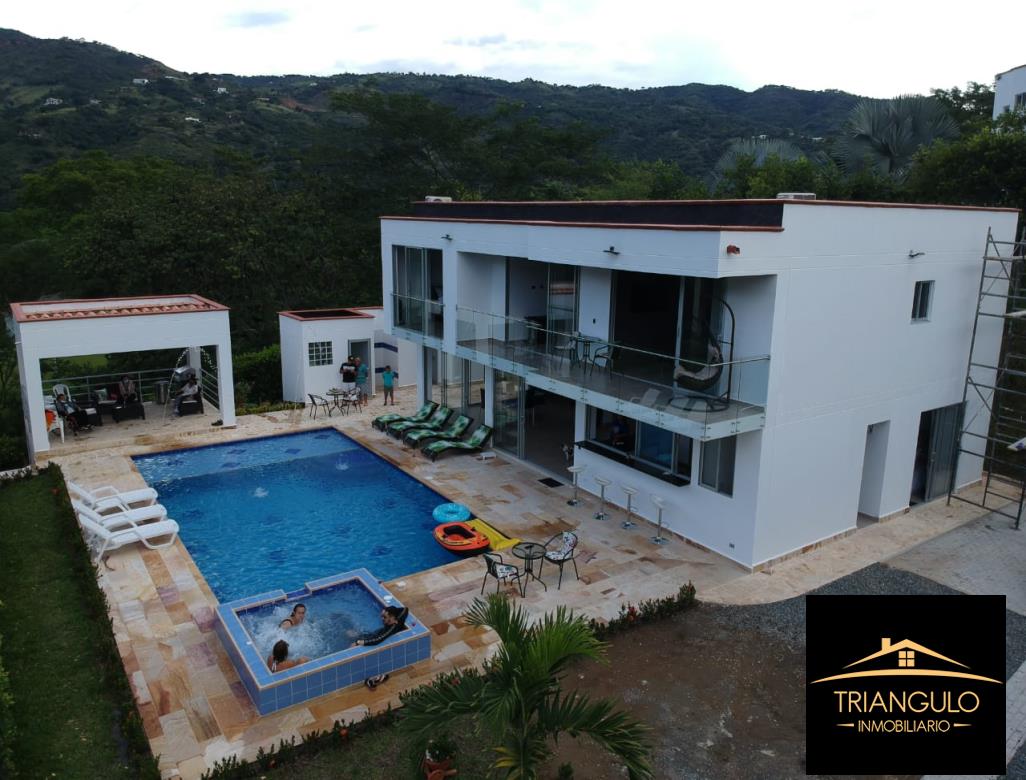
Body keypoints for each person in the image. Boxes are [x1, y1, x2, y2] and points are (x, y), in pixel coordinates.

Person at [352, 605, 407, 689]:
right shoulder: (397, 619)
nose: (382, 619)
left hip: (378, 637)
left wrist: (358, 642)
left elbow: (377, 640)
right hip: (379, 632)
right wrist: (395, 613)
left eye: (384, 617)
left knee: (354, 642)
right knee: (354, 635)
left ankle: (372, 678)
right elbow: (405, 609)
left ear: (392, 617)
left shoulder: (392, 628)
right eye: (381, 616)